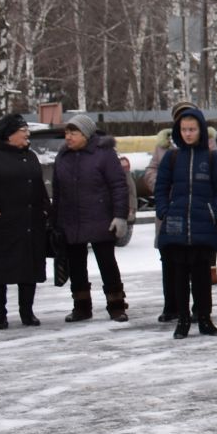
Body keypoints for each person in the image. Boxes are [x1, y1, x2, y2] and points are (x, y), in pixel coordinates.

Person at [0, 113, 51, 330]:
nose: (27, 135)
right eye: (23, 131)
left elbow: (38, 186)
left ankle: (27, 312)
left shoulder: (30, 156)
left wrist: (47, 211)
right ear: (9, 135)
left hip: (29, 224)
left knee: (29, 269)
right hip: (0, 226)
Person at [152, 107, 217, 338]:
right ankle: (183, 319)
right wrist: (164, 211)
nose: (188, 133)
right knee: (179, 276)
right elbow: (161, 187)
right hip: (176, 224)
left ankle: (204, 318)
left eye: (192, 129)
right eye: (184, 129)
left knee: (202, 276)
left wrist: (215, 212)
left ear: (201, 130)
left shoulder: (213, 157)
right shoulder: (172, 157)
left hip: (203, 224)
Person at [52, 113, 130, 323]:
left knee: (107, 264)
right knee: (76, 266)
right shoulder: (62, 156)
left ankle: (116, 306)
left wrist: (120, 216)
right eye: (67, 132)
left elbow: (118, 186)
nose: (68, 137)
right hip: (71, 221)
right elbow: (57, 191)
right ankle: (81, 306)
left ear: (86, 134)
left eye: (73, 132)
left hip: (101, 219)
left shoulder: (104, 154)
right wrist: (56, 222)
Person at [143, 101, 209, 322]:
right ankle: (171, 306)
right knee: (170, 262)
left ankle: (201, 309)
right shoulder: (164, 146)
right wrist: (164, 190)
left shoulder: (208, 144)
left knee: (199, 264)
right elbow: (152, 171)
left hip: (197, 214)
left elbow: (215, 177)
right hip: (171, 212)